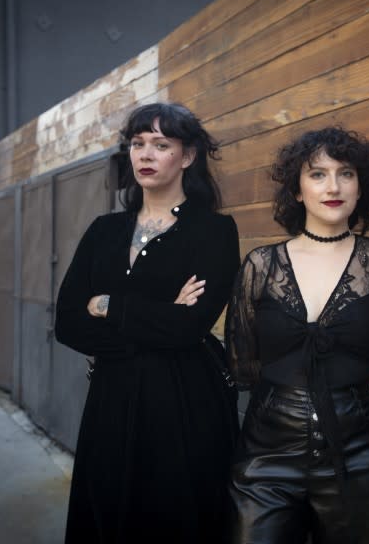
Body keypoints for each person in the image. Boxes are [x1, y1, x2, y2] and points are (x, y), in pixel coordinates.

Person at [54, 102, 241, 543]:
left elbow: (189, 327)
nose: (145, 155)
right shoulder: (104, 230)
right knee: (109, 512)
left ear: (188, 156)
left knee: (174, 516)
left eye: (161, 145)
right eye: (138, 144)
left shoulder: (214, 232)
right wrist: (157, 319)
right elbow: (66, 322)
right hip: (111, 399)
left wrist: (106, 305)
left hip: (183, 400)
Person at [226, 126, 369, 543]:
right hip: (267, 450)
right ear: (297, 190)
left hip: (363, 449)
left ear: (360, 185)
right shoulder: (261, 265)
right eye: (317, 174)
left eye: (346, 173)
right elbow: (243, 362)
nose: (333, 186)